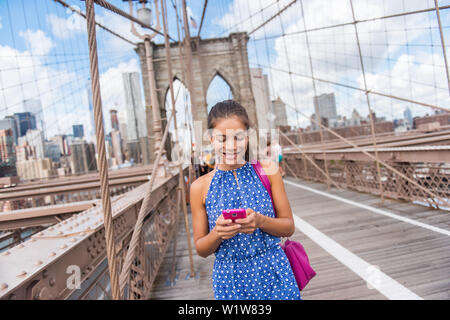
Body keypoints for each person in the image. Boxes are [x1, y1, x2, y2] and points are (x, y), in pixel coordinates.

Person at [189, 100, 301, 300]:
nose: (231, 146)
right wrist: (217, 233)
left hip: (275, 272)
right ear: (210, 138)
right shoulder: (199, 188)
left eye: (238, 138)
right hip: (230, 281)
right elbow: (201, 248)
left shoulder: (269, 171)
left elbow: (288, 227)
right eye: (222, 139)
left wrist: (260, 221)